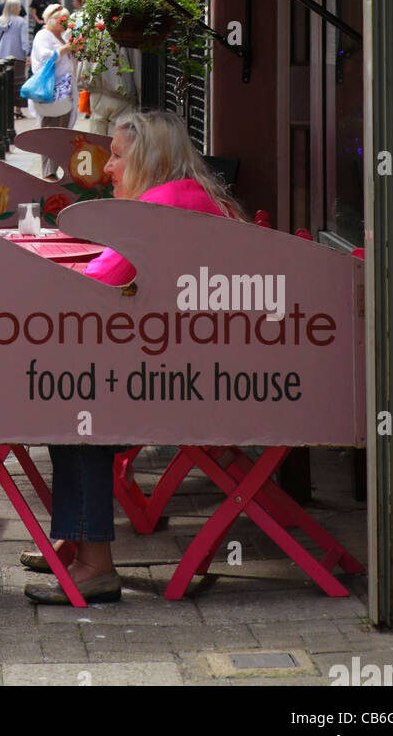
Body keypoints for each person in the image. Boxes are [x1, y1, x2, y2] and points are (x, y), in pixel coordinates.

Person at [24, 110, 242, 605]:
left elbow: (94, 288)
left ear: (146, 158)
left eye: (117, 157)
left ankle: (95, 563)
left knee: (72, 408)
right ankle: (79, 540)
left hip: (183, 386)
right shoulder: (193, 198)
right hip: (211, 372)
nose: (107, 170)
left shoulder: (156, 210)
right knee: (73, 396)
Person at [29, 4, 77, 176]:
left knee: (61, 132)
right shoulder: (43, 35)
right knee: (51, 132)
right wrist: (67, 48)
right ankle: (49, 173)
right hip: (52, 93)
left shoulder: (61, 36)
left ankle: (53, 172)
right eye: (62, 20)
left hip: (63, 93)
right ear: (52, 20)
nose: (65, 23)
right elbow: (45, 57)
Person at [0, 0, 29, 118]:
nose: (21, 9)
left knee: (3, 84)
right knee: (18, 84)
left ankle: (4, 109)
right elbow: (24, 41)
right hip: (17, 57)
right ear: (14, 8)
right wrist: (27, 54)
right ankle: (17, 110)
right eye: (19, 7)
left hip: (1, 57)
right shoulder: (21, 22)